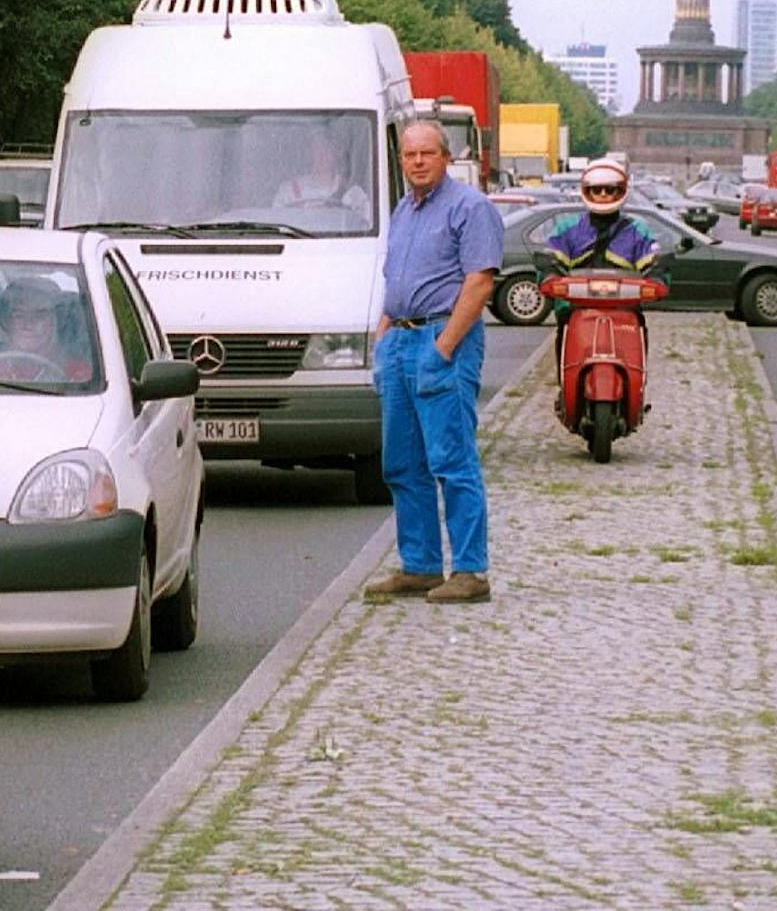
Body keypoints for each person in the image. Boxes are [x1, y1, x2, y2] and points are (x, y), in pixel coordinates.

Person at [364, 118, 506, 605]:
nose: (418, 162)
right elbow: (396, 284)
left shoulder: (471, 207)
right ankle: (421, 565)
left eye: (427, 153)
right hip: (400, 343)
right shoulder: (404, 210)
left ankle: (470, 570)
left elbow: (480, 282)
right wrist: (383, 341)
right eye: (409, 155)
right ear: (400, 161)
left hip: (443, 340)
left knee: (451, 459)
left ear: (446, 157)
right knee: (402, 463)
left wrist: (444, 345)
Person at [535, 159, 665, 373]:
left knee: (639, 328)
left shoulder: (637, 230)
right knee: (564, 330)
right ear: (587, 191)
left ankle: (637, 383)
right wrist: (549, 275)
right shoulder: (567, 228)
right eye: (597, 189)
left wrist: (657, 275)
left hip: (625, 308)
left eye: (610, 189)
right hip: (575, 308)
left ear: (621, 191)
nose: (603, 194)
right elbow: (552, 257)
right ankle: (565, 387)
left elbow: (652, 257)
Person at [0, 275, 94, 382]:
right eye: (19, 315)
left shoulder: (79, 375)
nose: (28, 324)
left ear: (56, 321)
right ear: (7, 320)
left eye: (39, 315)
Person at [274, 126, 369, 213]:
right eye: (317, 147)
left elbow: (366, 224)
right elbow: (277, 223)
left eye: (328, 148)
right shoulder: (288, 191)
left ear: (338, 153)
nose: (322, 154)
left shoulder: (353, 193)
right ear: (309, 153)